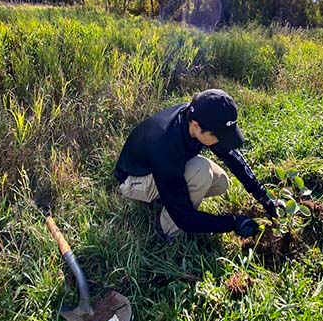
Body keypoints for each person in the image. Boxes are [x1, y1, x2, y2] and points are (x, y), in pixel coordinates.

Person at [115, 89, 279, 244]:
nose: (220, 141)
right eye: (217, 136)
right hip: (135, 180)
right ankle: (165, 228)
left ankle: (167, 197)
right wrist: (232, 223)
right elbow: (185, 219)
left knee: (220, 182)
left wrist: (263, 196)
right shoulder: (166, 146)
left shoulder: (201, 115)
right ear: (195, 126)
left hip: (167, 167)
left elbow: (232, 157)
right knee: (201, 172)